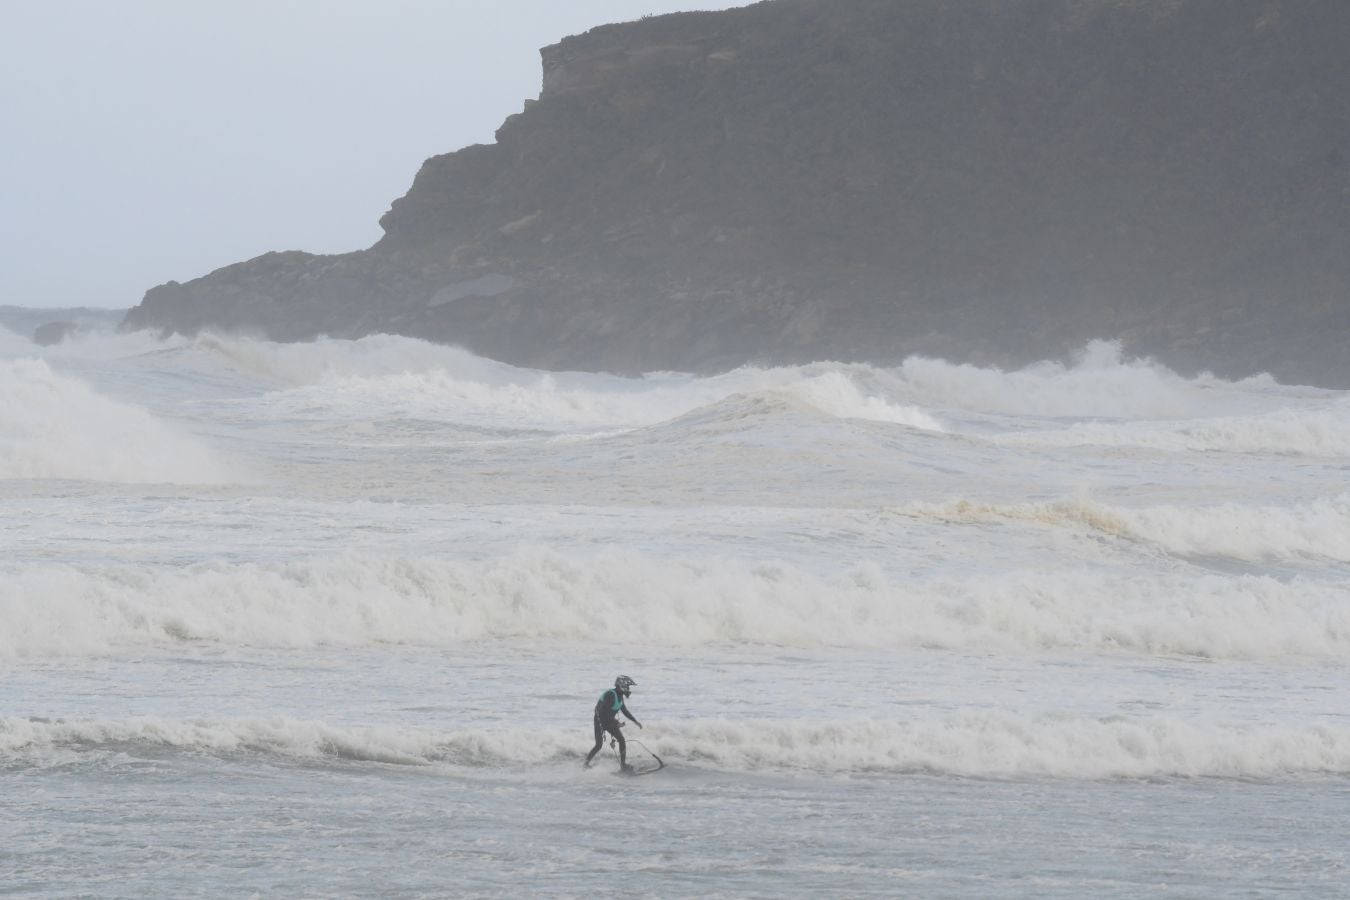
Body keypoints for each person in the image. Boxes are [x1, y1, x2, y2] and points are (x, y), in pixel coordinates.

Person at [584, 675, 642, 771]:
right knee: (599, 745)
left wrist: (635, 721)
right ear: (621, 685)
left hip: (609, 721)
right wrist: (616, 723)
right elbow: (603, 712)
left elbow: (624, 710)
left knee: (621, 740)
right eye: (627, 686)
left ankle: (623, 766)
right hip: (599, 721)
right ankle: (585, 764)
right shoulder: (610, 694)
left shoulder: (620, 696)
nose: (628, 688)